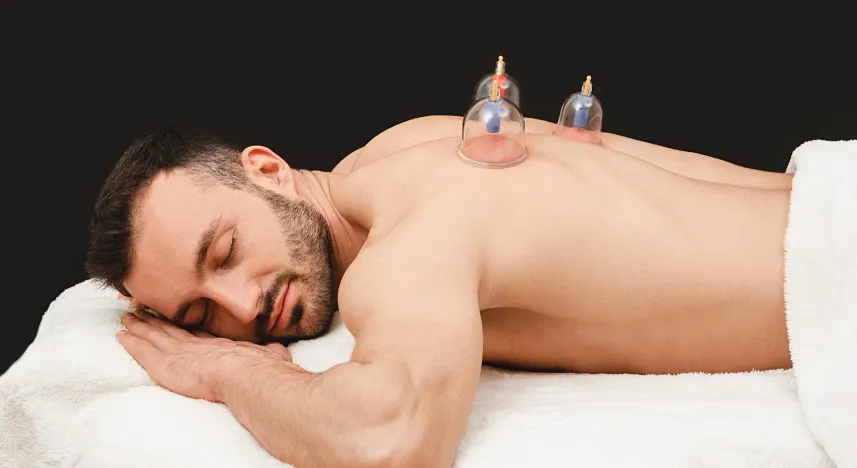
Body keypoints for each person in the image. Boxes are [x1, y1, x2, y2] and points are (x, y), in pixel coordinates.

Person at [85, 115, 795, 468]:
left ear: (268, 170)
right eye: (201, 315)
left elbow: (389, 434)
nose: (244, 308)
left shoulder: (403, 248)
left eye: (226, 253)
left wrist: (226, 369)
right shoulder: (403, 144)